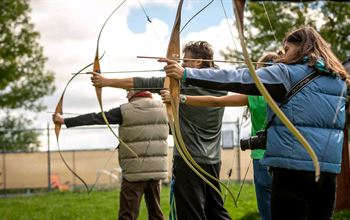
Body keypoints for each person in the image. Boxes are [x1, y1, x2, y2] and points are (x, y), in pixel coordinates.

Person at [161, 27, 348, 220]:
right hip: (327, 173)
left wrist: (186, 73)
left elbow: (238, 77)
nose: (282, 56)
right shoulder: (338, 78)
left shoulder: (285, 73)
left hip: (292, 171)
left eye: (287, 49)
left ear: (301, 48)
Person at [91, 41, 231, 220]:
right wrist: (106, 82)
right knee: (216, 211)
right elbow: (143, 82)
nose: (181, 65)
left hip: (189, 161)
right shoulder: (221, 83)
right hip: (213, 160)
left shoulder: (184, 86)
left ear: (199, 62)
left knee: (191, 213)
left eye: (185, 60)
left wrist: (105, 81)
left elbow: (145, 83)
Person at [160, 52, 279, 220]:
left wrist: (180, 98)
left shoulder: (256, 96)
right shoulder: (290, 93)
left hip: (262, 157)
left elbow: (217, 101)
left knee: (267, 213)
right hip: (287, 158)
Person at [53, 90, 168, 220]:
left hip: (133, 173)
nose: (126, 95)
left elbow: (95, 117)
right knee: (156, 214)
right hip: (156, 173)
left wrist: (64, 120)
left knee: (127, 215)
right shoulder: (163, 109)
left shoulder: (125, 110)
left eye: (128, 92)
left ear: (136, 92)